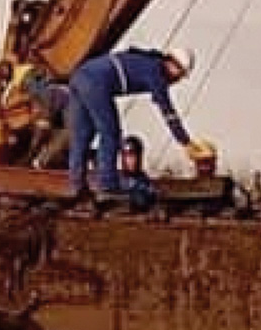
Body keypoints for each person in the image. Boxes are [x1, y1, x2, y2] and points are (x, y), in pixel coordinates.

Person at [66, 45, 205, 199]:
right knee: (110, 133)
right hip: (96, 83)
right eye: (180, 75)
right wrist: (185, 142)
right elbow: (167, 111)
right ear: (173, 64)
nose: (177, 80)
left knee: (82, 135)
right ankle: (107, 183)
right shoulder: (156, 72)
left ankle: (76, 184)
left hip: (79, 76)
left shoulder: (148, 62)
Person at [119, 135, 158, 212]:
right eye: (127, 156)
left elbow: (152, 193)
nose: (131, 161)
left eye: (134, 156)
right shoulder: (118, 179)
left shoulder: (143, 178)